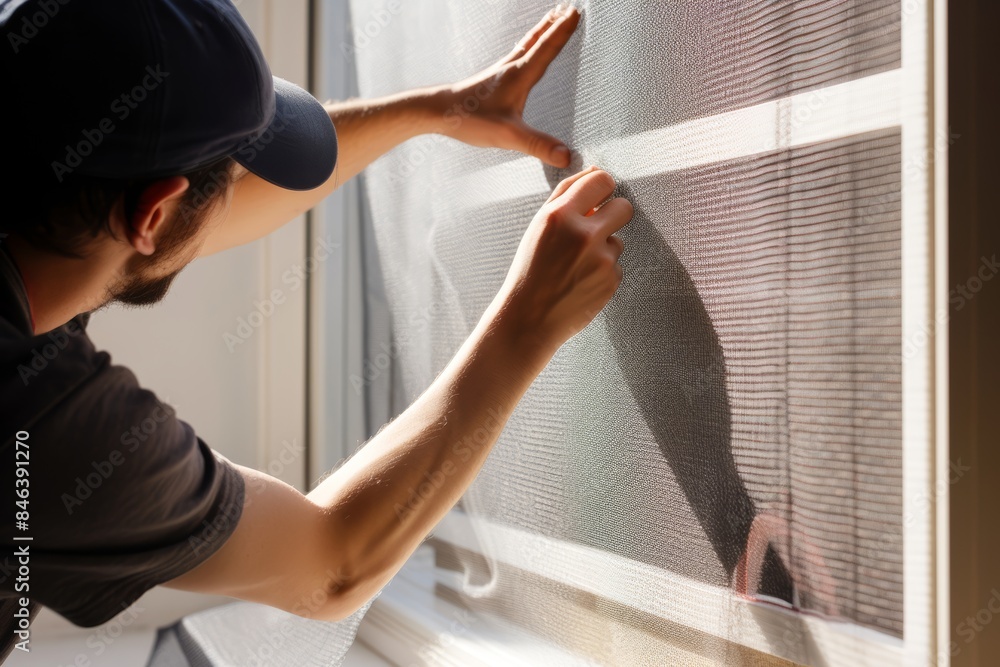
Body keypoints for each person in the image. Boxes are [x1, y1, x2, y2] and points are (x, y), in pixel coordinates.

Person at [0, 0, 632, 660]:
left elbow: (191, 213)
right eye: (228, 173)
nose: (234, 195)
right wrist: (526, 322)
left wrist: (438, 109)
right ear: (152, 214)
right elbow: (332, 565)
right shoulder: (37, 424)